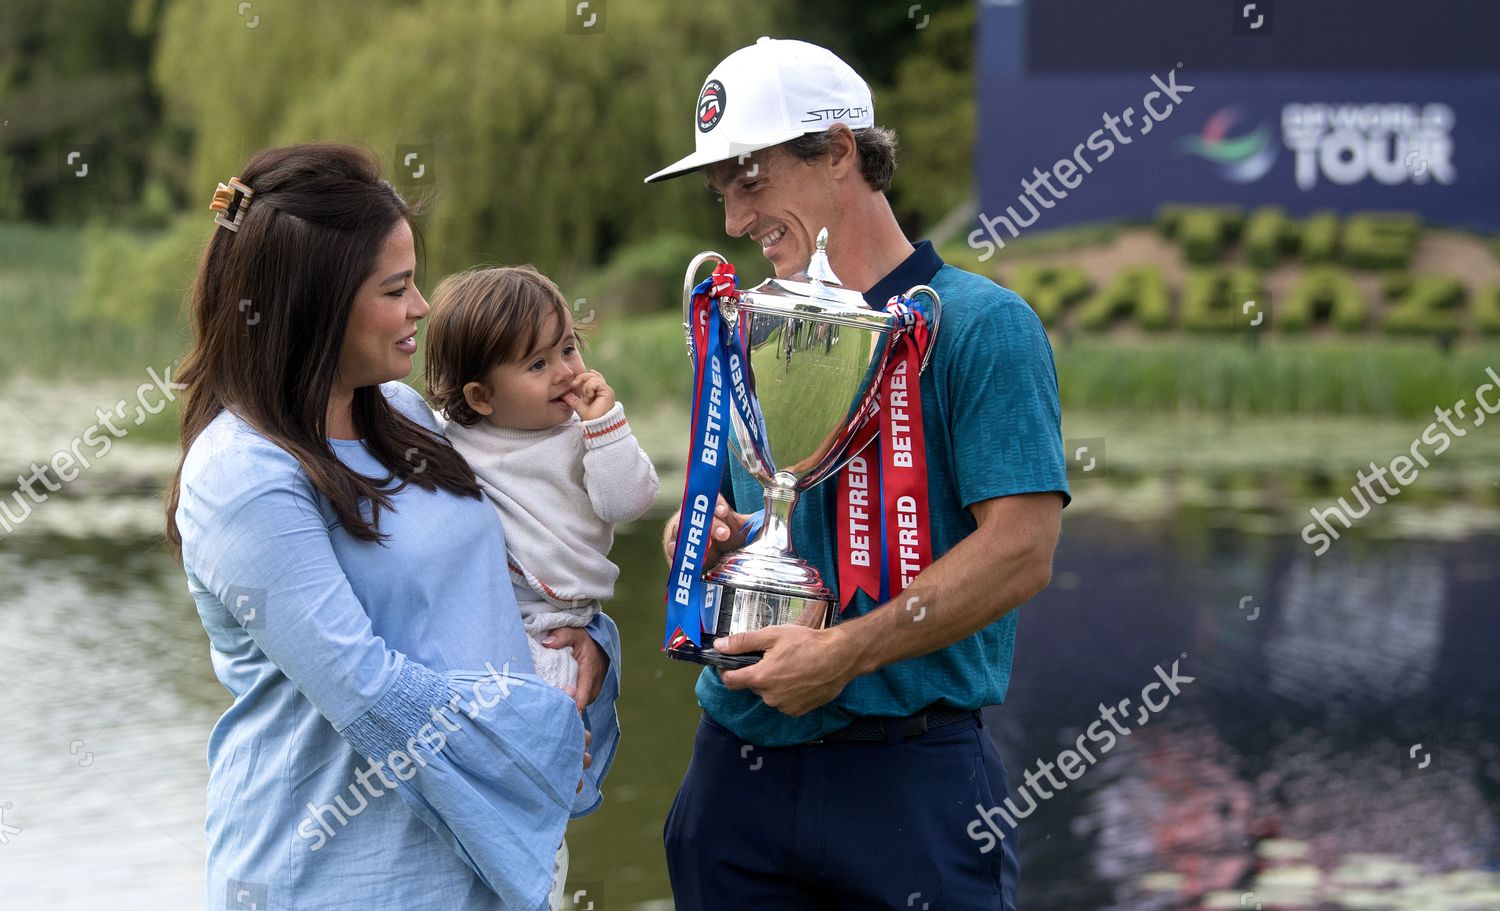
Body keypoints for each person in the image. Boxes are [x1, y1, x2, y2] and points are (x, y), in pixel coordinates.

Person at [647, 38, 1070, 909]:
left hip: (910, 781)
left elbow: (1022, 551)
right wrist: (714, 542)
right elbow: (739, 504)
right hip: (736, 771)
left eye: (750, 178)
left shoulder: (987, 327)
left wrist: (844, 653)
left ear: (839, 150)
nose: (732, 219)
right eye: (720, 189)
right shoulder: (746, 323)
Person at [166, 143, 620, 911]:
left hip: (483, 866)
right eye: (396, 288)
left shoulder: (409, 417)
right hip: (341, 879)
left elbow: (519, 565)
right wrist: (544, 719)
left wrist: (589, 648)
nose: (422, 308)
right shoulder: (241, 478)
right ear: (316, 303)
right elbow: (371, 692)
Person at [424, 265, 659, 903]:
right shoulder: (452, 443)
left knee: (543, 785)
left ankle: (539, 885)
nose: (565, 372)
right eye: (536, 364)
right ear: (479, 398)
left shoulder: (584, 437)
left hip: (560, 634)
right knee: (494, 783)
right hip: (500, 626)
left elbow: (630, 501)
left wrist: (609, 429)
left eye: (568, 348)